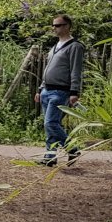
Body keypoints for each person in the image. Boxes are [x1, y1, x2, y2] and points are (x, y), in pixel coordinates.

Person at [38, 12, 86, 166]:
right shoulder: (54, 47)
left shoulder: (75, 46)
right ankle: (50, 156)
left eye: (58, 25)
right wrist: (40, 88)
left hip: (60, 91)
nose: (55, 28)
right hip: (47, 90)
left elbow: (75, 70)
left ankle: (72, 149)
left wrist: (74, 92)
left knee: (50, 123)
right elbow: (47, 68)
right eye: (54, 25)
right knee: (51, 125)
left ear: (68, 26)